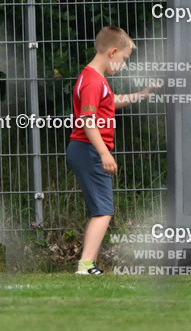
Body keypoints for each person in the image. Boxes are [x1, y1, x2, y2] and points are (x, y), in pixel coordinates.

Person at [67, 26, 155, 275]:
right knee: (103, 211)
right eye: (124, 59)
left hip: (86, 150)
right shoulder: (93, 81)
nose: (123, 65)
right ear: (113, 52)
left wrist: (141, 95)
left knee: (100, 209)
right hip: (89, 150)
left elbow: (110, 102)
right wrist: (104, 153)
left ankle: (88, 264)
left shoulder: (96, 78)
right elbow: (88, 119)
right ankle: (86, 266)